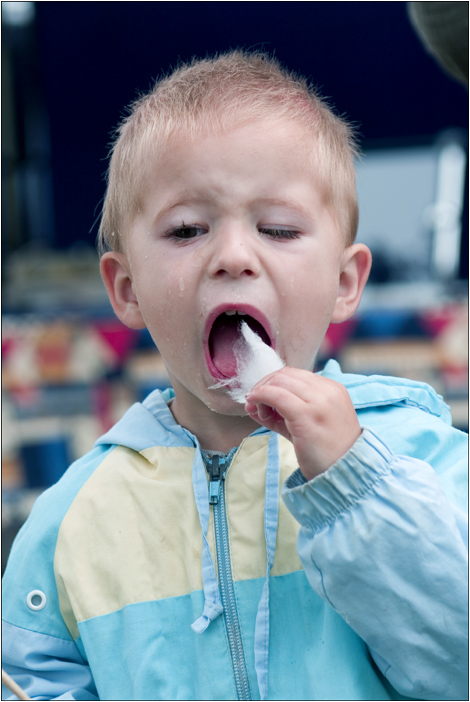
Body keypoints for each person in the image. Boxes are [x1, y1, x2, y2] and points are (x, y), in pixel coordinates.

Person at [2, 51, 467, 701]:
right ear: (128, 288)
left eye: (277, 228)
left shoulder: (421, 458)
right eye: (188, 229)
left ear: (344, 282)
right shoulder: (69, 525)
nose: (234, 256)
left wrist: (358, 487)